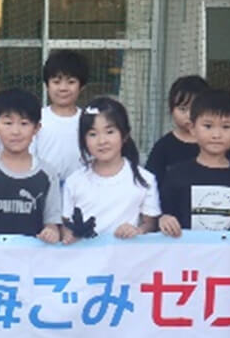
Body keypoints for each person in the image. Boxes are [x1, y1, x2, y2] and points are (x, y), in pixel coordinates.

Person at [158, 89, 230, 237]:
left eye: (226, 127)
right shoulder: (176, 174)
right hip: (186, 256)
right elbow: (163, 214)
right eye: (208, 126)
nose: (216, 135)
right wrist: (164, 219)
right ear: (192, 128)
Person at [0, 88, 61, 244]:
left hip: (33, 261)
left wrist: (51, 232)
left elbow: (52, 221)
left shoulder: (48, 173)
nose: (16, 131)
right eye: (8, 123)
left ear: (36, 128)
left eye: (24, 123)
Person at [61, 98, 159, 243]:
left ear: (124, 135)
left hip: (128, 261)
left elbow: (150, 224)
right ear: (84, 140)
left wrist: (138, 231)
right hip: (85, 262)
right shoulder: (74, 182)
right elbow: (65, 224)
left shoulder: (144, 180)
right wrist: (69, 236)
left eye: (109, 132)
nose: (102, 141)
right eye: (93, 134)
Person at [33, 50, 89, 182]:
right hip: (44, 185)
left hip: (81, 187)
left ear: (81, 87)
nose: (63, 88)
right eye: (56, 82)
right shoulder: (37, 118)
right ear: (47, 85)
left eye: (71, 82)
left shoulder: (88, 120)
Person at [145, 75, 209, 185]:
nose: (189, 115)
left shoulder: (214, 142)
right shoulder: (163, 147)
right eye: (182, 109)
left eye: (195, 109)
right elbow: (150, 183)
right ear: (171, 110)